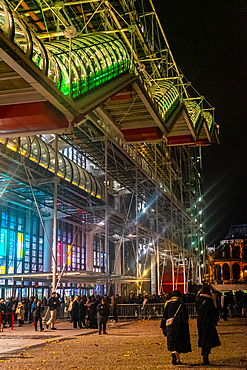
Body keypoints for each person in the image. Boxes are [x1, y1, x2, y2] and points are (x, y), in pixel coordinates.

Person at [161, 290, 191, 365]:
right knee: (179, 342)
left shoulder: (168, 304)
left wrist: (162, 326)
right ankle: (176, 356)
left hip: (170, 326)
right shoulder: (181, 304)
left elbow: (164, 316)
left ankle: (174, 354)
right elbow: (185, 316)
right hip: (180, 326)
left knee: (172, 341)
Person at [195, 285, 221, 365]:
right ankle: (206, 355)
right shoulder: (209, 300)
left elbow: (196, 310)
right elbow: (213, 310)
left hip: (200, 321)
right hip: (208, 321)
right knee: (209, 338)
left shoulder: (197, 299)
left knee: (202, 337)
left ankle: (204, 353)